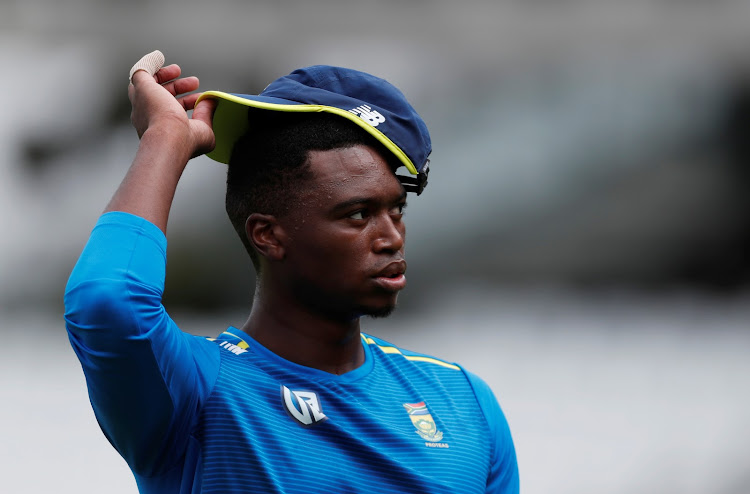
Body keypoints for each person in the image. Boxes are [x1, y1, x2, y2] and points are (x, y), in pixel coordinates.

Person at [64, 51, 519, 494]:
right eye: (358, 215)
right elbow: (108, 299)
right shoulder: (196, 396)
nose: (391, 237)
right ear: (268, 236)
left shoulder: (463, 402)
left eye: (396, 210)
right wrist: (165, 137)